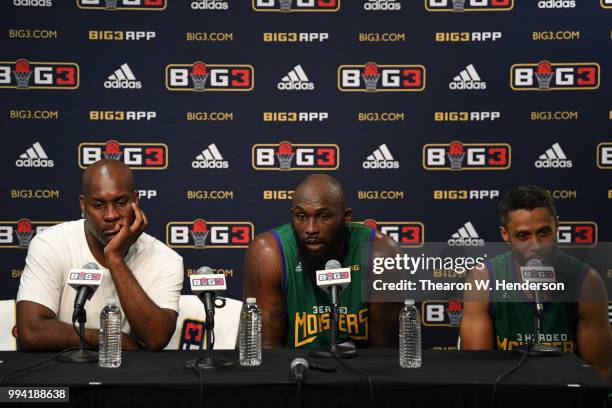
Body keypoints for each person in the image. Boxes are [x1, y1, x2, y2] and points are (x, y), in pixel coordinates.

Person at [17, 159, 183, 351]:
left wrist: (115, 258)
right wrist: (105, 338)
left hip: (134, 374)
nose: (111, 215)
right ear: (83, 205)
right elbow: (31, 332)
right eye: (99, 204)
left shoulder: (166, 259)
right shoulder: (50, 244)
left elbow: (156, 338)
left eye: (121, 202)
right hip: (68, 370)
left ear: (136, 201)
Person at [460, 185, 610, 380]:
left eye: (543, 232)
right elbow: (479, 371)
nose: (536, 245)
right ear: (505, 235)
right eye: (523, 236)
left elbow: (599, 371)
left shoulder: (587, 283)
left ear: (557, 226)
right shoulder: (483, 279)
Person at [243, 174, 401, 349]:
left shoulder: (381, 253)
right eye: (301, 216)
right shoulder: (269, 253)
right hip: (293, 370)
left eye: (323, 217)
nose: (311, 229)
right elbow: (267, 350)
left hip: (360, 371)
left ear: (346, 217)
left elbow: (384, 352)